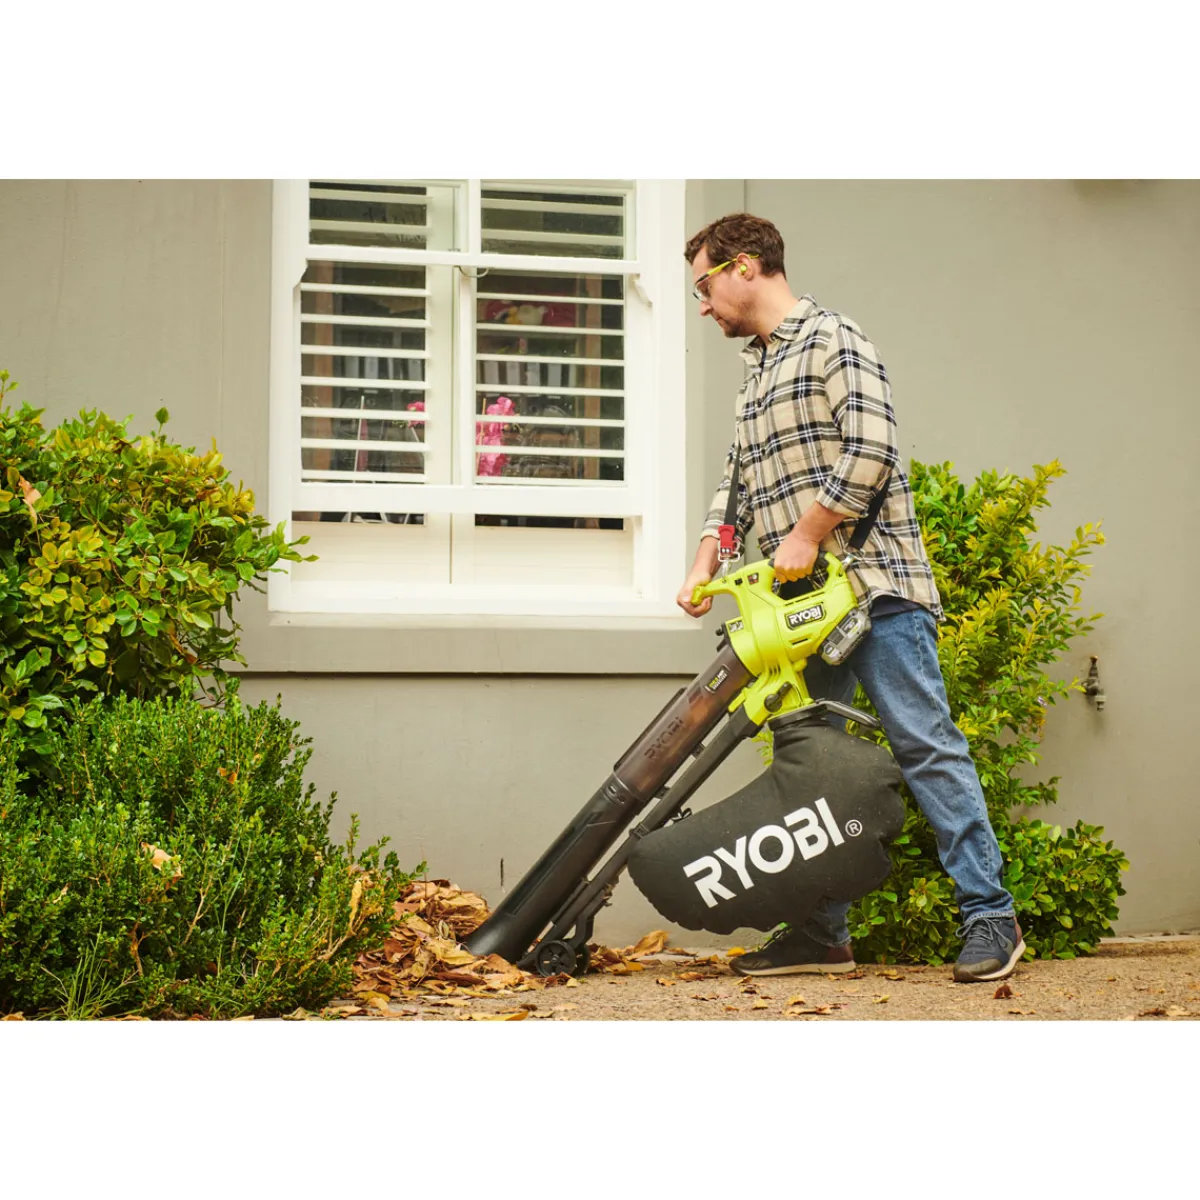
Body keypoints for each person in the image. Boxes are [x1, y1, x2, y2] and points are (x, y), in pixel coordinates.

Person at [677, 213, 1023, 984]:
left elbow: (873, 447)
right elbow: (735, 491)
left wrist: (808, 532)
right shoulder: (755, 375)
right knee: (811, 769)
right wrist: (706, 563)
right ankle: (820, 935)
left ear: (743, 266)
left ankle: (990, 915)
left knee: (925, 746)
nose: (702, 305)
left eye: (704, 286)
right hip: (801, 616)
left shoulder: (833, 337)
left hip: (876, 591)